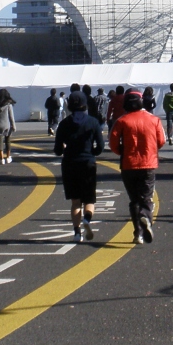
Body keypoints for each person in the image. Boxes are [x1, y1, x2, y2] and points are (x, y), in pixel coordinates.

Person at [109, 89, 165, 244]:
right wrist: (152, 149)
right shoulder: (154, 119)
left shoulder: (122, 121)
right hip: (148, 163)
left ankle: (137, 233)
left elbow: (113, 143)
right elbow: (161, 141)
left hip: (128, 163)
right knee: (146, 197)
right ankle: (145, 216)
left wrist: (122, 151)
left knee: (134, 199)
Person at [54, 91, 104, 243]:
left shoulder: (64, 124)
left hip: (70, 163)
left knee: (75, 202)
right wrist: (92, 152)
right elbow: (100, 146)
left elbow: (57, 150)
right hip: (88, 163)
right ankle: (87, 219)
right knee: (89, 200)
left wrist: (63, 149)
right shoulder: (93, 122)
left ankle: (77, 233)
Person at [0, 88, 16, 163]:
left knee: (0, 142)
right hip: (7, 125)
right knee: (8, 141)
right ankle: (8, 157)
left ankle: (1, 159)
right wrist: (13, 126)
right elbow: (11, 117)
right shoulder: (8, 105)